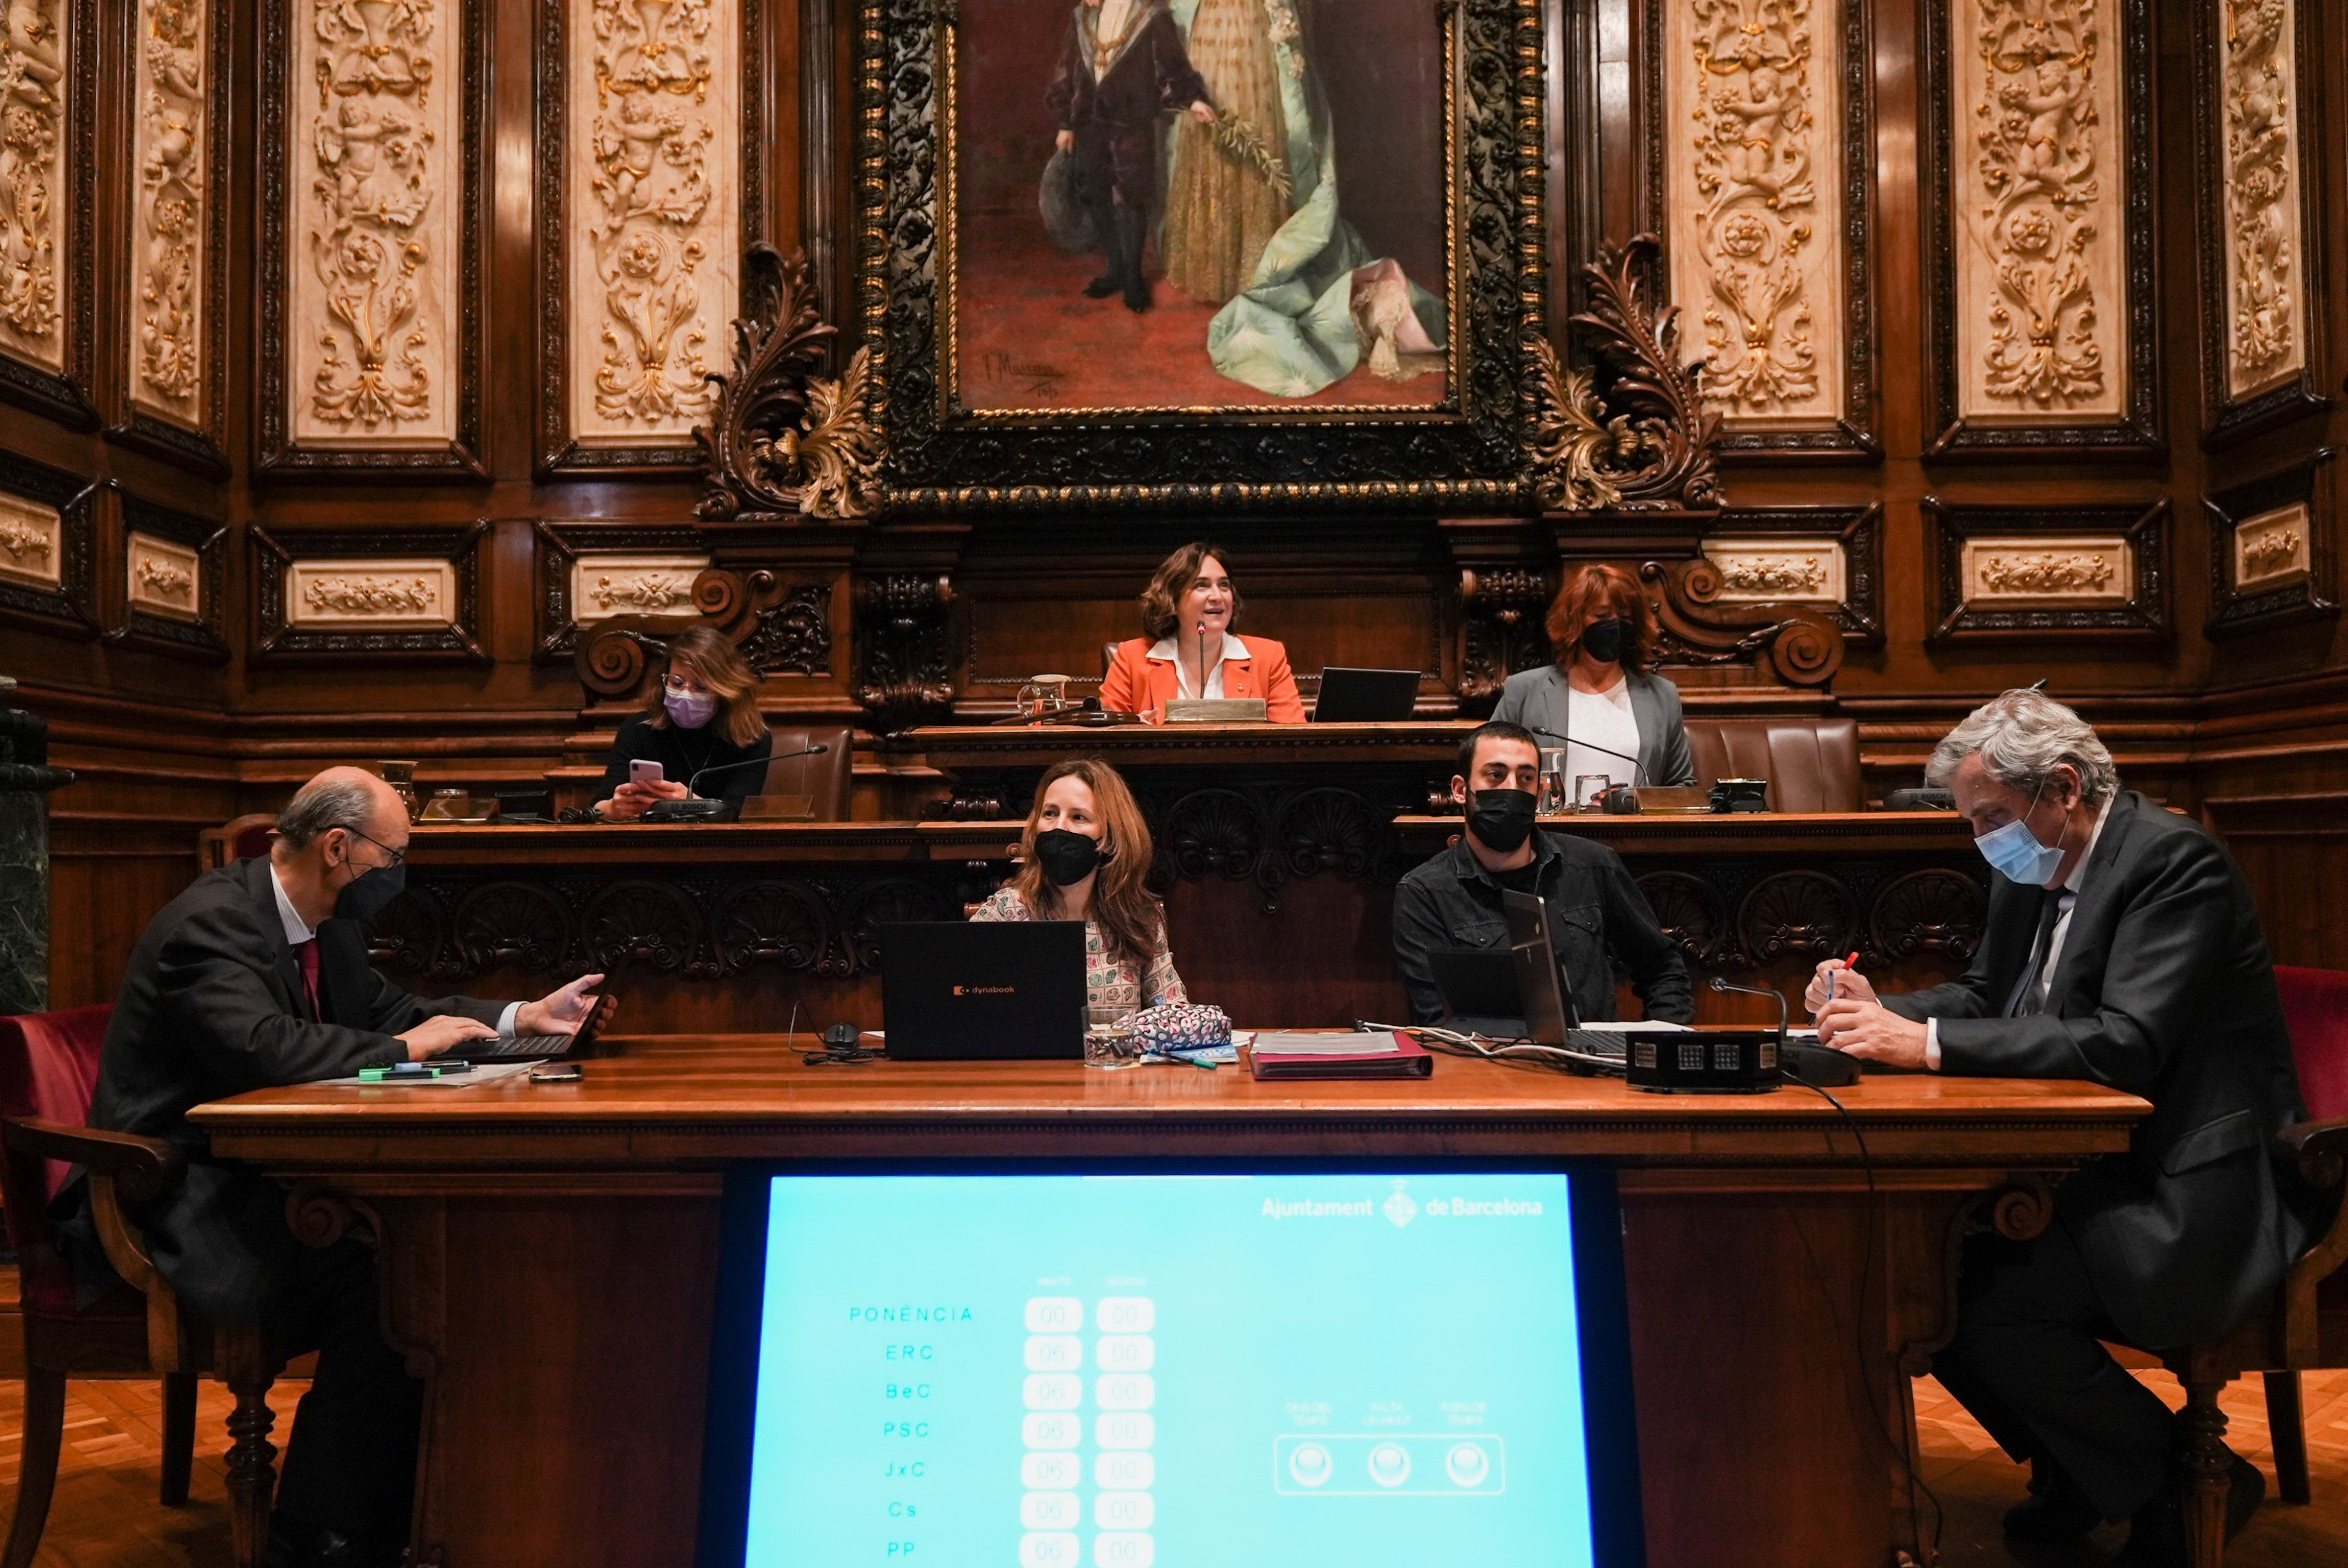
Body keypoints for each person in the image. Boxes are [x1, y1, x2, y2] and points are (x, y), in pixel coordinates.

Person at [1805, 690, 2318, 1567]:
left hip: (2188, 1186)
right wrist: (1879, 1010)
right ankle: (2081, 1470)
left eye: (1992, 817)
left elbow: (2127, 1042)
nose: (1982, 841)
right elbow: (1984, 999)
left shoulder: (2173, 863)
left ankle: (2177, 1480)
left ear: (2065, 788)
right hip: (2088, 1166)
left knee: (1975, 1302)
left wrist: (1922, 1045)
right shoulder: (2032, 865)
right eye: (1972, 823)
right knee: (1918, 1276)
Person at [54, 768, 606, 1567]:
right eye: (394, 856)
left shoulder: (326, 921)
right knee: (397, 1279)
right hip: (177, 1196)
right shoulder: (209, 924)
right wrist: (400, 1053)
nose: (400, 876)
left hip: (263, 1173)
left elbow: (393, 1012)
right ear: (338, 847)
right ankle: (320, 1535)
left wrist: (524, 1017)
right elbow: (260, 1050)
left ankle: (386, 1512)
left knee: (425, 1262)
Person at [1392, 721, 1694, 1028]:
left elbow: (1661, 967)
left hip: (1592, 1065)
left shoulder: (1593, 866)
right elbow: (1435, 1020)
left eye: (1525, 778)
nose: (1512, 788)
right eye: (1496, 775)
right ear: (1460, 791)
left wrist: (1660, 1044)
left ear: (1538, 793)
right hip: (1492, 1066)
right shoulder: (1425, 892)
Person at [971, 758, 1186, 1013]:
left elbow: (1173, 1014)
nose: (1059, 827)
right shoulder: (1006, 911)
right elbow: (962, 1000)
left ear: (1108, 839)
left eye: (1078, 817)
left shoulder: (1140, 919)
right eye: (1050, 813)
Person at [1045, 0, 1215, 313]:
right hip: (1087, 120)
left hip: (1131, 120)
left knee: (1132, 196)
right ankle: (1115, 270)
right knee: (1096, 193)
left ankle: (1134, 277)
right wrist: (1065, 124)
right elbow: (1067, 69)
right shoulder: (1085, 15)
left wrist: (1192, 101)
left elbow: (1172, 66)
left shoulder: (1152, 16)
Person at [1490, 563, 1695, 799]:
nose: (1615, 626)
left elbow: (1682, 785)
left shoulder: (1661, 695)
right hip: (1546, 832)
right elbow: (1490, 767)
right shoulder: (1525, 690)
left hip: (1634, 834)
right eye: (1602, 616)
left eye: (1626, 618)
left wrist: (1632, 803)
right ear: (1575, 619)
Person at [1160, 0, 1291, 305]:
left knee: (1250, 117)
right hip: (1212, 29)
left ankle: (1255, 266)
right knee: (1212, 120)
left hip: (1249, 28)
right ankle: (1211, 264)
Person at [1100, 542, 1306, 723]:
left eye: (1224, 586)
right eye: (1202, 586)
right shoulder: (1132, 658)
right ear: (1173, 599)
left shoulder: (1268, 658)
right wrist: (1135, 731)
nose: (1217, 596)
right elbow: (1105, 739)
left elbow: (1292, 741)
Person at [593, 626, 773, 820]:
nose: (686, 694)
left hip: (718, 846)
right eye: (677, 683)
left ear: (724, 690)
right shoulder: (638, 729)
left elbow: (738, 814)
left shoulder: (752, 739)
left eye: (701, 687)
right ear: (665, 680)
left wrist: (689, 803)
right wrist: (613, 808)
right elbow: (599, 805)